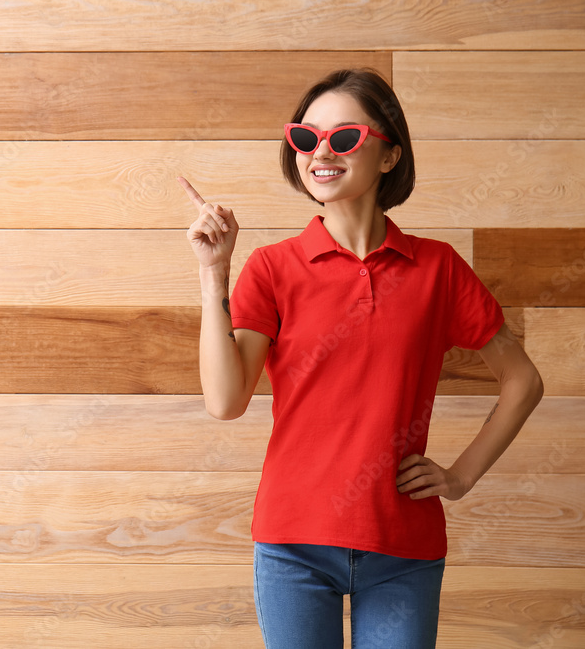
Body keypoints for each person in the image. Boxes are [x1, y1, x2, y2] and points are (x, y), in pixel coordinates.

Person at [180, 68, 544, 649]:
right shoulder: (272, 269)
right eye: (306, 138)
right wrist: (213, 271)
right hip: (292, 545)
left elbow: (523, 382)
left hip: (403, 546)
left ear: (389, 155)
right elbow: (225, 402)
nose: (321, 152)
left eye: (344, 137)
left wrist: (460, 476)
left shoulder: (438, 269)